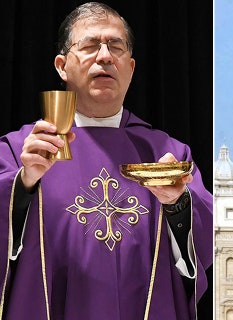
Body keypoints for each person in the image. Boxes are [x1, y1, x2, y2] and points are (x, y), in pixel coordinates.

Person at [0, 2, 212, 319]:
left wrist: (178, 204)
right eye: (89, 46)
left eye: (116, 46)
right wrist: (24, 184)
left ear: (131, 67)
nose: (104, 56)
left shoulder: (168, 155)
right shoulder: (21, 150)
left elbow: (207, 245)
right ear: (61, 65)